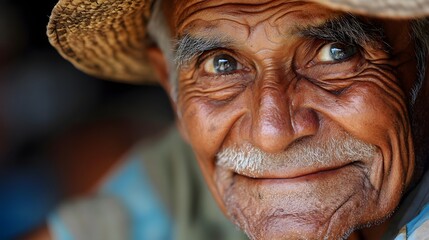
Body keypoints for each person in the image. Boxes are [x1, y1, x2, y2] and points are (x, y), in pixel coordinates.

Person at [37, 0, 429, 239]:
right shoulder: (186, 175)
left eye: (336, 52)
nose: (271, 134)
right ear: (170, 87)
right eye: (221, 64)